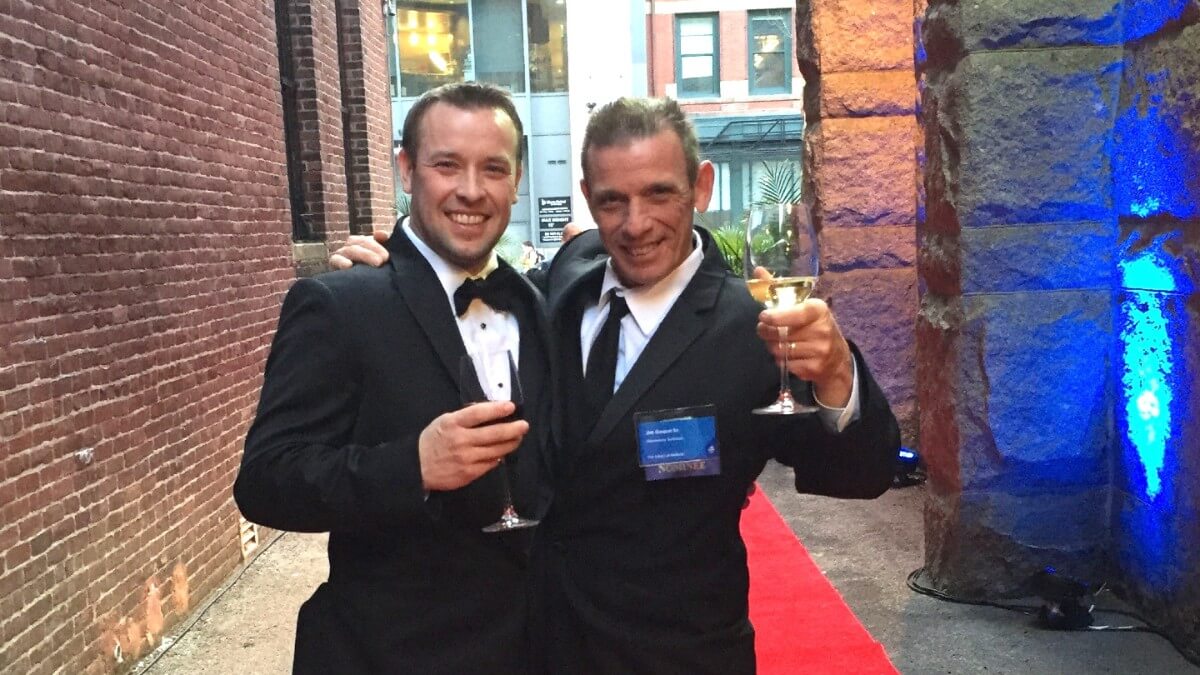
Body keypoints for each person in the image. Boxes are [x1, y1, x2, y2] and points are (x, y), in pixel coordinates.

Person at [333, 97, 899, 674]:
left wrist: (837, 376)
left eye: (659, 194)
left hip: (675, 656)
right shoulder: (564, 279)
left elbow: (861, 474)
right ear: (588, 199)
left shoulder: (752, 327)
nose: (635, 225)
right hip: (540, 643)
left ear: (700, 186)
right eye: (612, 201)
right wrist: (398, 273)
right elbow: (464, 293)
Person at [234, 82, 554, 675]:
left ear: (516, 180)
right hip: (390, 654)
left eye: (493, 168)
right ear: (407, 170)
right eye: (446, 165)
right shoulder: (338, 303)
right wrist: (413, 467)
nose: (471, 190)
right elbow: (264, 481)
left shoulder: (539, 305)